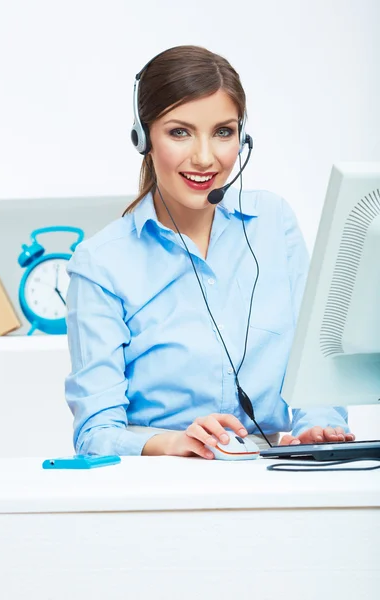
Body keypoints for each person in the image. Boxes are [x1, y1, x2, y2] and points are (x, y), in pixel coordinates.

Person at [64, 45, 355, 458]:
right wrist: (174, 441)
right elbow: (95, 435)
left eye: (223, 132)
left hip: (278, 476)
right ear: (144, 137)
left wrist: (317, 429)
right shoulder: (102, 263)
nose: (205, 158)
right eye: (179, 132)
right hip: (169, 484)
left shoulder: (274, 224)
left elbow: (314, 372)